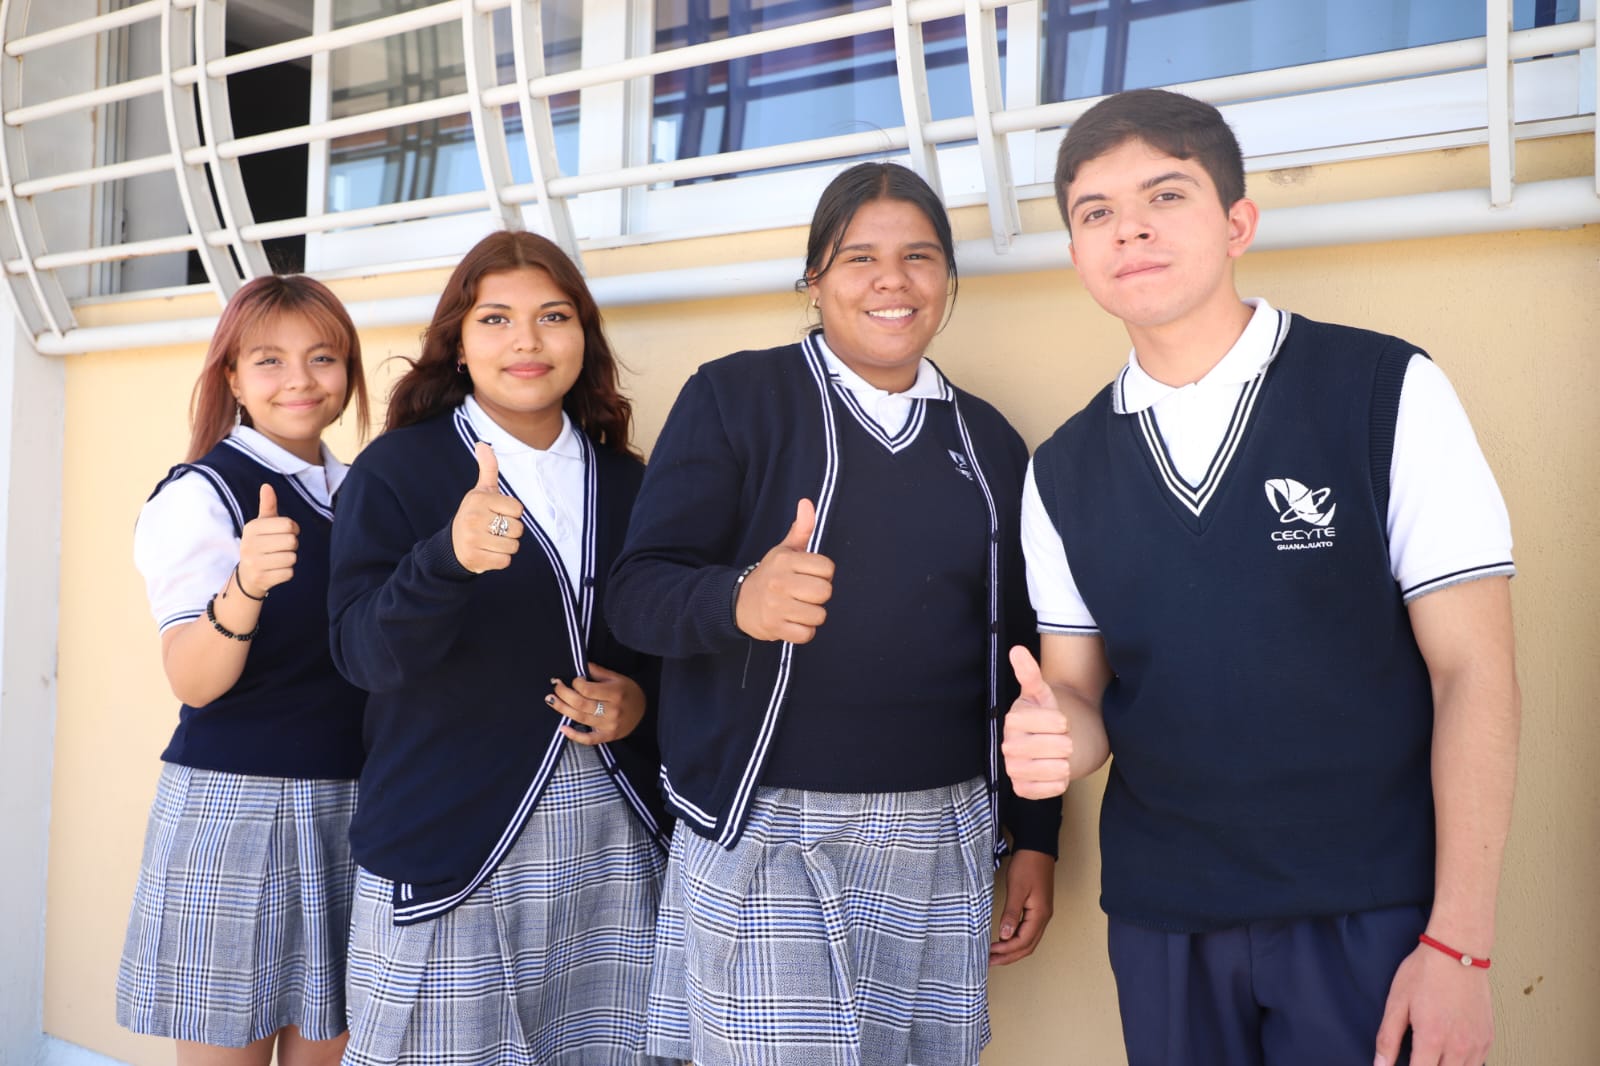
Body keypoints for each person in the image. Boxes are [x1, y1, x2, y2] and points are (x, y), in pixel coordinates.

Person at [1003, 88, 1520, 1066]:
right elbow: (1079, 696)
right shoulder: (1061, 471)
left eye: (1165, 195)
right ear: (1075, 253)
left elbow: (1474, 674)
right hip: (1163, 920)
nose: (1130, 229)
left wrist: (1461, 942)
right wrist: (1052, 740)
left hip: (1369, 909)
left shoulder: (1383, 392)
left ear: (1237, 223)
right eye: (1096, 212)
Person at [607, 161, 1062, 1066]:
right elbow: (635, 594)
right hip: (767, 824)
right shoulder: (738, 398)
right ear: (814, 278)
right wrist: (740, 598)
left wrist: (1037, 838)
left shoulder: (988, 440)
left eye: (919, 257)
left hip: (947, 826)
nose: (893, 280)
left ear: (947, 281)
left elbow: (1023, 654)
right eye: (860, 258)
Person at [327, 229, 670, 1066]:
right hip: (453, 840)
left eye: (553, 316)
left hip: (613, 842)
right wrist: (446, 560)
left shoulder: (632, 482)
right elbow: (362, 656)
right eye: (495, 319)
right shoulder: (398, 471)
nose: (527, 341)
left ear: (583, 335)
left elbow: (668, 643)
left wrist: (639, 702)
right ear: (458, 343)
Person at [117, 275, 371, 1066]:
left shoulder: (362, 492)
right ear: (231, 377)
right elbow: (192, 681)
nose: (300, 379)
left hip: (356, 805)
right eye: (269, 360)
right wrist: (247, 584)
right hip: (238, 807)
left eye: (323, 357)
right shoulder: (202, 495)